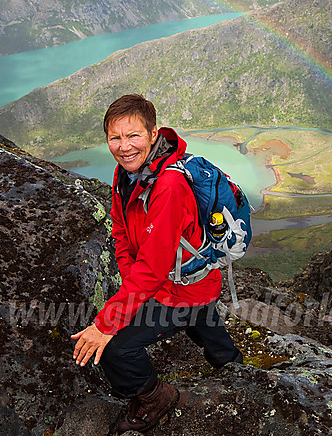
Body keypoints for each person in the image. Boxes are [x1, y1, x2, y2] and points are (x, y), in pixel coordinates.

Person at [71, 94, 242, 433]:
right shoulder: (127, 175)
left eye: (133, 135)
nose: (124, 146)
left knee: (116, 350)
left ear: (152, 135)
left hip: (178, 291)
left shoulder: (168, 185)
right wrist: (132, 282)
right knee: (208, 329)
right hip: (190, 285)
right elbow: (121, 232)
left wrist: (107, 324)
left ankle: (154, 397)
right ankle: (236, 371)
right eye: (115, 137)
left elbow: (152, 266)